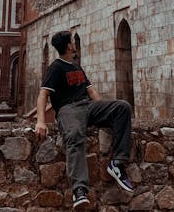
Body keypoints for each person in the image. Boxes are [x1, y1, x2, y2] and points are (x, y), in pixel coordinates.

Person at [35, 30, 133, 209]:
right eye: (72, 41)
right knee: (74, 134)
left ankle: (117, 163)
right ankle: (79, 190)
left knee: (122, 107)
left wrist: (104, 109)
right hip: (68, 109)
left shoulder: (76, 66)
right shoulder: (56, 67)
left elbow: (91, 91)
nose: (74, 43)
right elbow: (43, 95)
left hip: (87, 106)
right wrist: (40, 121)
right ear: (68, 46)